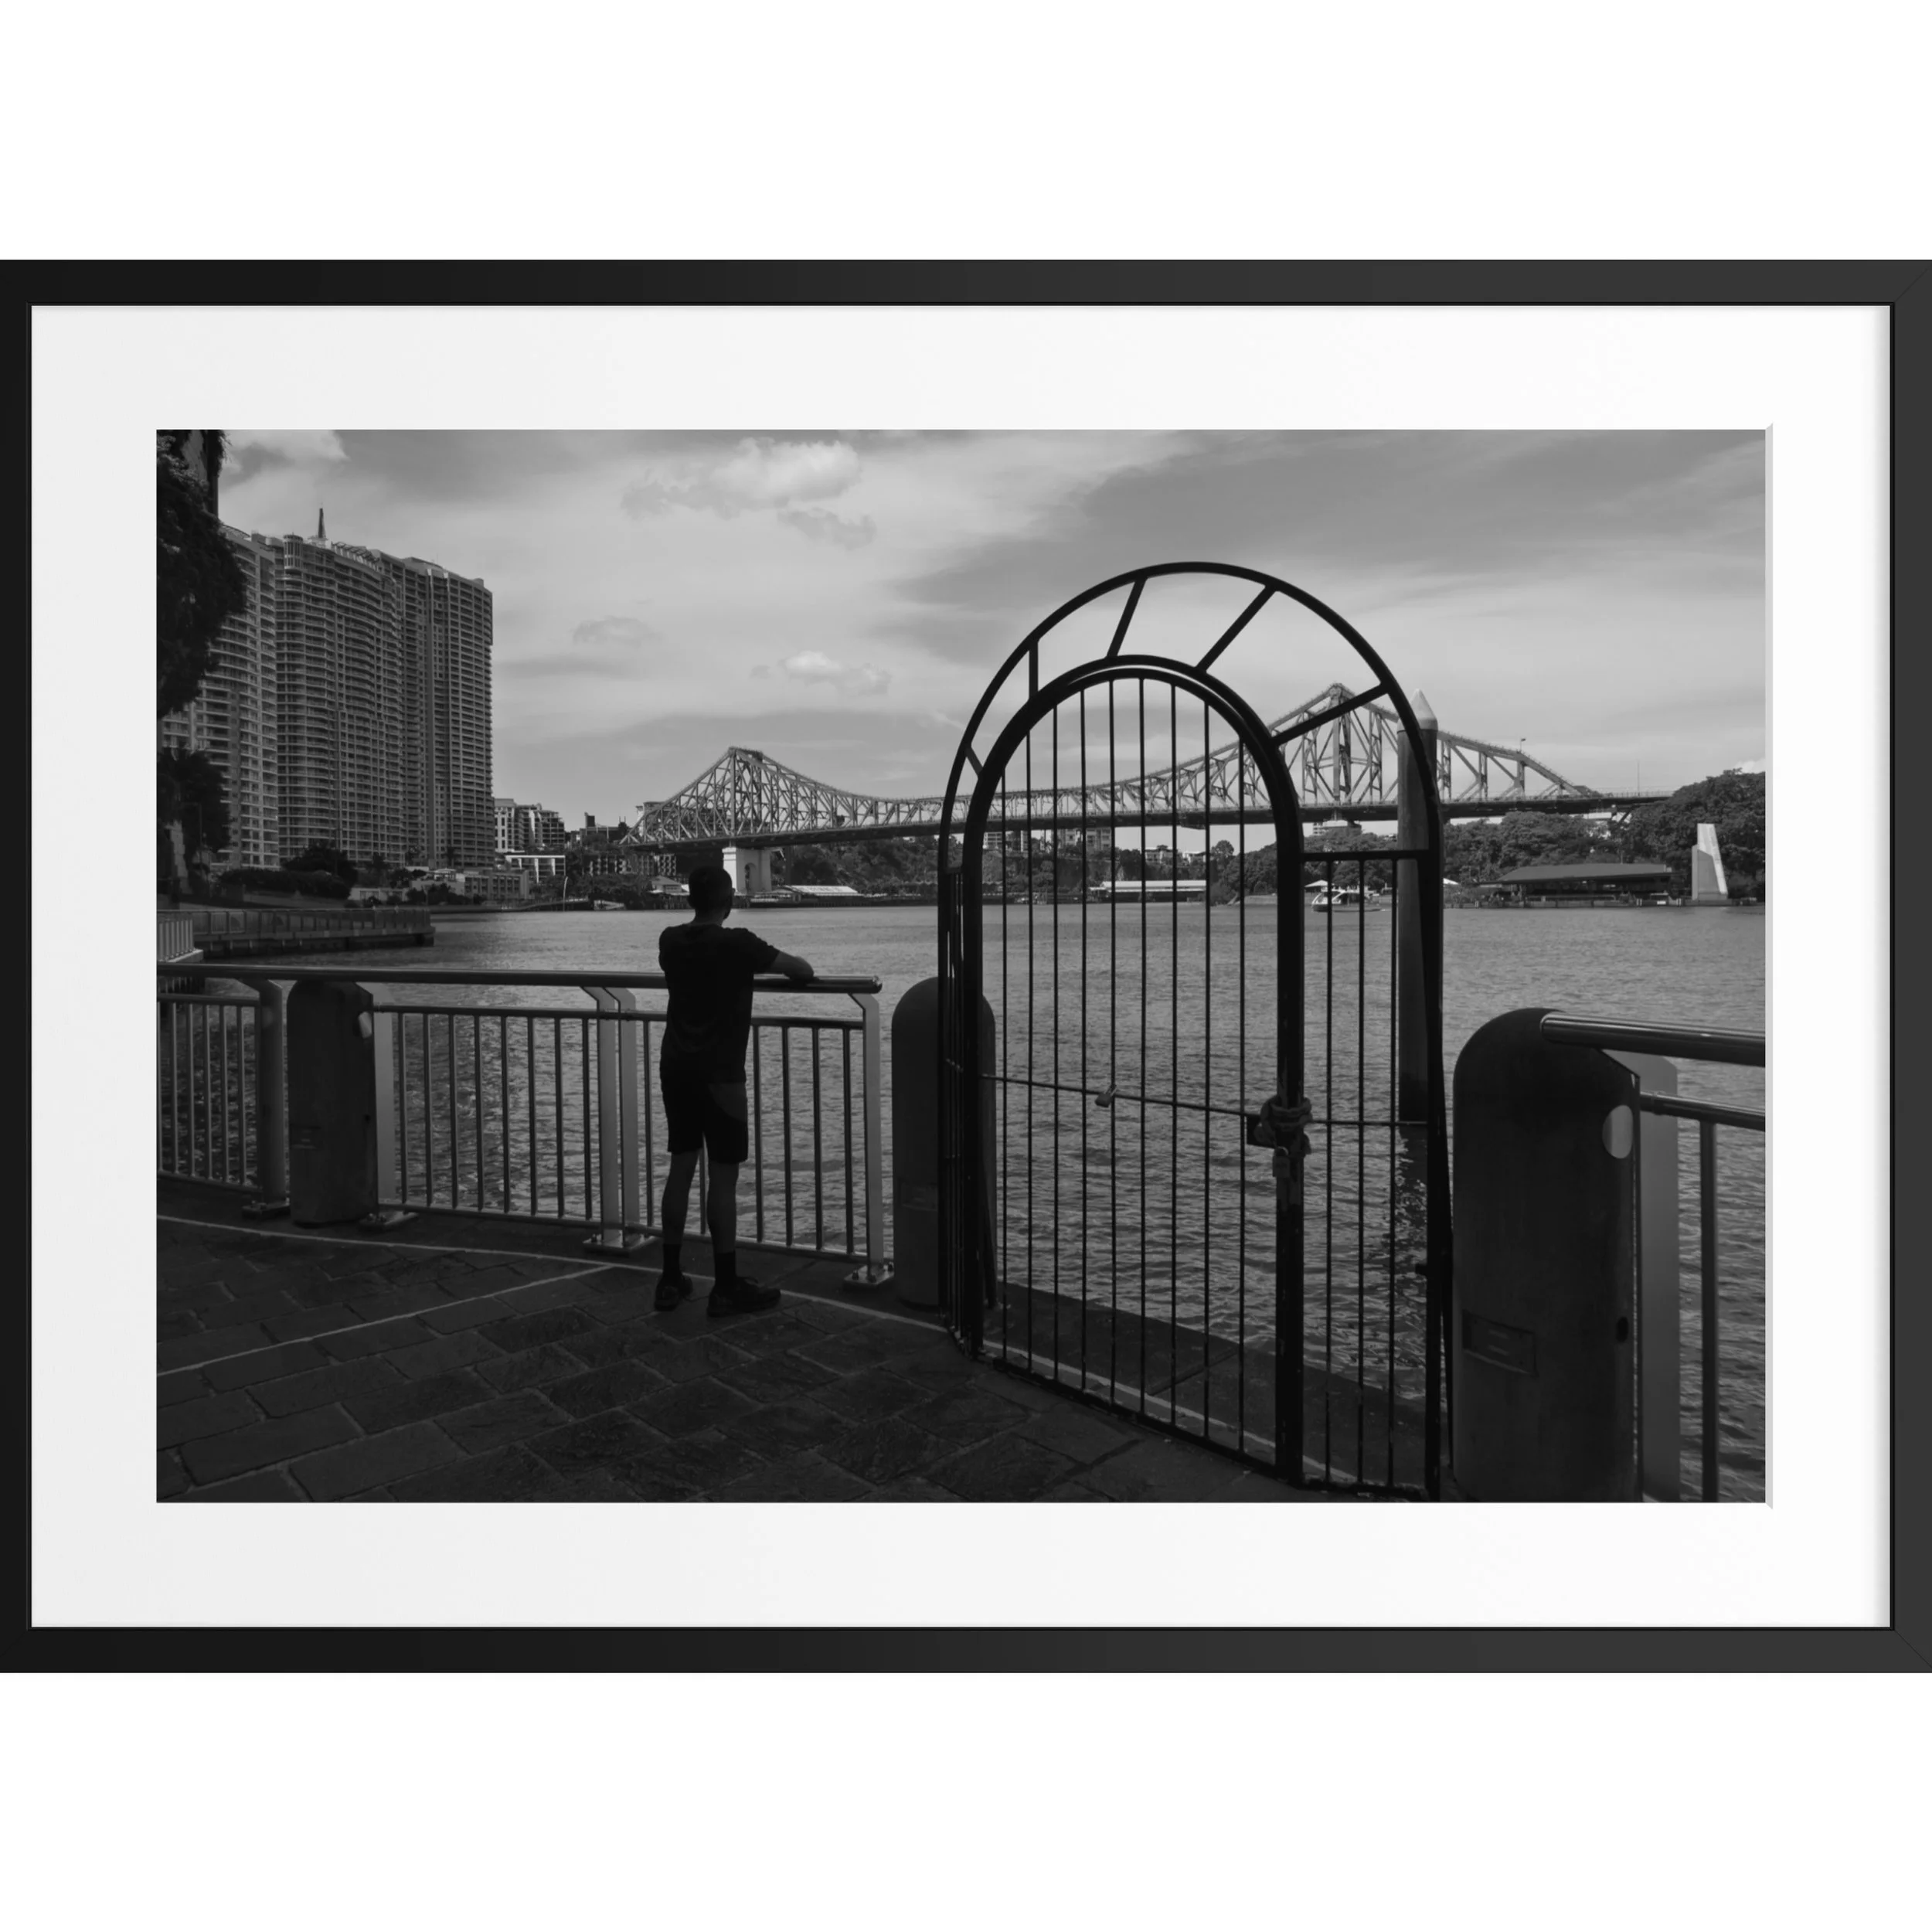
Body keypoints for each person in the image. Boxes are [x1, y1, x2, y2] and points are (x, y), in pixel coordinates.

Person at [654, 863, 815, 1315]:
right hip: (721, 1074)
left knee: (681, 1167)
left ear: (690, 901)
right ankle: (725, 1286)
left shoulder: (669, 940)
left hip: (675, 1068)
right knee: (723, 1179)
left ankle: (669, 1280)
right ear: (729, 902)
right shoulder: (738, 943)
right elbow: (801, 970)